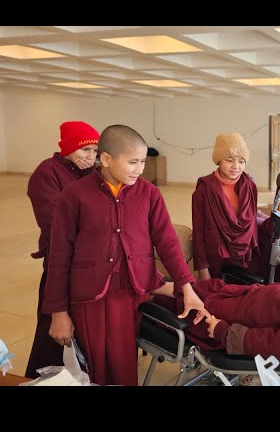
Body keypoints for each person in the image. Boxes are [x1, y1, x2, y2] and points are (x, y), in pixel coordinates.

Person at [43, 124, 209, 386]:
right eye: (133, 162)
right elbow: (59, 255)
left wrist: (186, 286)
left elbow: (167, 243)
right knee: (92, 364)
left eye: (143, 161)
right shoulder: (75, 195)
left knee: (123, 364)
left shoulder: (148, 193)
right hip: (89, 296)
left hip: (131, 291)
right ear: (106, 159)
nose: (140, 169)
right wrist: (58, 313)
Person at [24, 121, 101, 379]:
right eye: (84, 150)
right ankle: (41, 379)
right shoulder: (47, 174)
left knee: (86, 331)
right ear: (67, 148)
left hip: (94, 264)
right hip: (61, 263)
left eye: (95, 150)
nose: (91, 157)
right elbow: (55, 223)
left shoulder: (95, 172)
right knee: (54, 331)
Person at [151, 279, 280, 363]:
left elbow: (276, 345)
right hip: (254, 299)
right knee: (209, 288)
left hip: (239, 318)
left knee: (196, 306)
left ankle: (143, 298)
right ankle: (149, 285)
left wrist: (224, 331)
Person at [192, 133, 258, 280]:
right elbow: (198, 232)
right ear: (219, 161)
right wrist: (203, 270)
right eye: (229, 160)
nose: (236, 166)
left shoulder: (249, 187)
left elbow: (251, 224)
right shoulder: (203, 191)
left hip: (244, 257)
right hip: (215, 256)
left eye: (241, 161)